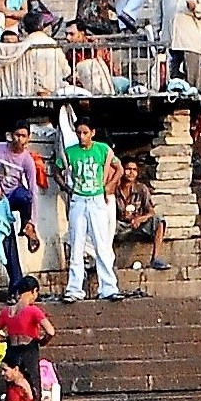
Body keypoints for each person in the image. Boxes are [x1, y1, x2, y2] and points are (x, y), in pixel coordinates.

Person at [59, 115, 123, 302]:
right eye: (79, 133)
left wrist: (109, 186)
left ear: (92, 133)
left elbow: (118, 168)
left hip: (97, 200)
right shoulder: (70, 152)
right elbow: (56, 170)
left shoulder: (102, 149)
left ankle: (109, 288)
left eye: (85, 133)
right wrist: (66, 188)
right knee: (77, 245)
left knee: (102, 245)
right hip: (78, 200)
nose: (81, 136)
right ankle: (74, 290)